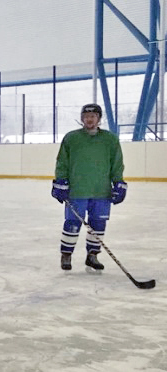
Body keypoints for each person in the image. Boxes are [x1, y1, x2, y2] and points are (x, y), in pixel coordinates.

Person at [51, 103, 126, 271]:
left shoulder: (110, 139)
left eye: (92, 116)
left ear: (99, 119)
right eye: (86, 117)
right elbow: (62, 162)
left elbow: (116, 164)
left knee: (98, 223)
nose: (89, 119)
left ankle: (92, 255)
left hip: (101, 191)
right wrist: (61, 181)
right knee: (72, 222)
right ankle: (66, 255)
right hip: (77, 190)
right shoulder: (71, 138)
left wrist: (118, 183)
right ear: (82, 119)